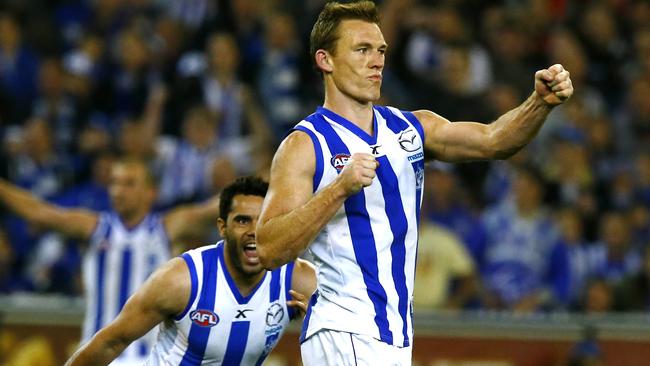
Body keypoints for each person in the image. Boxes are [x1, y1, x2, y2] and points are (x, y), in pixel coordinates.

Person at [255, 1, 573, 365]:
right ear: (325, 60)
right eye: (361, 50)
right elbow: (268, 247)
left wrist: (539, 103)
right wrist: (338, 190)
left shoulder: (409, 127)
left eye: (380, 51)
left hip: (395, 333)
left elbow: (494, 141)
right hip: (343, 329)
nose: (376, 61)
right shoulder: (306, 144)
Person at [64, 176, 317, 366]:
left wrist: (323, 321)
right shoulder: (182, 279)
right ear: (222, 228)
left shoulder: (295, 278)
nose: (253, 230)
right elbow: (111, 341)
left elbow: (351, 327)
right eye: (242, 220)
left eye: (262, 220)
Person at [0, 157, 221, 365]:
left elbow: (217, 207)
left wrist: (255, 184)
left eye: (129, 183)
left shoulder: (167, 228)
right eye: (114, 183)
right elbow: (40, 213)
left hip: (151, 359)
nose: (118, 191)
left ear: (150, 192)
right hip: (100, 358)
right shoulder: (95, 227)